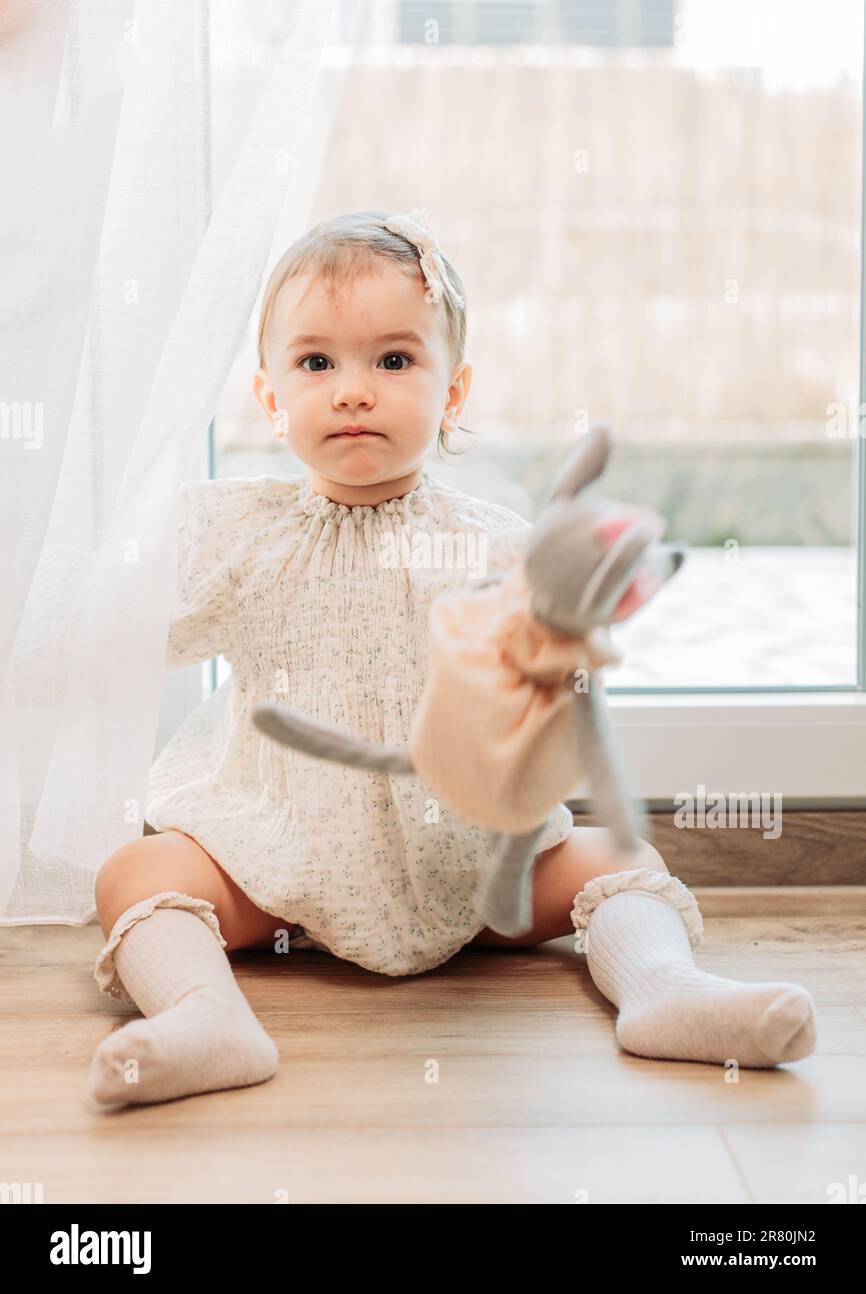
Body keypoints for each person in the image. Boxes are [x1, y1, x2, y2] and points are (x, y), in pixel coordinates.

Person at [88, 208, 816, 1109]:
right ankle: (208, 1016)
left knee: (614, 857)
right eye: (318, 363)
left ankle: (663, 993)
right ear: (272, 398)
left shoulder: (492, 546)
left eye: (393, 361)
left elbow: (543, 691)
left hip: (471, 875)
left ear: (454, 392)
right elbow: (127, 633)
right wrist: (108, 574)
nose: (354, 390)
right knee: (136, 872)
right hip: (275, 864)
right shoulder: (241, 538)